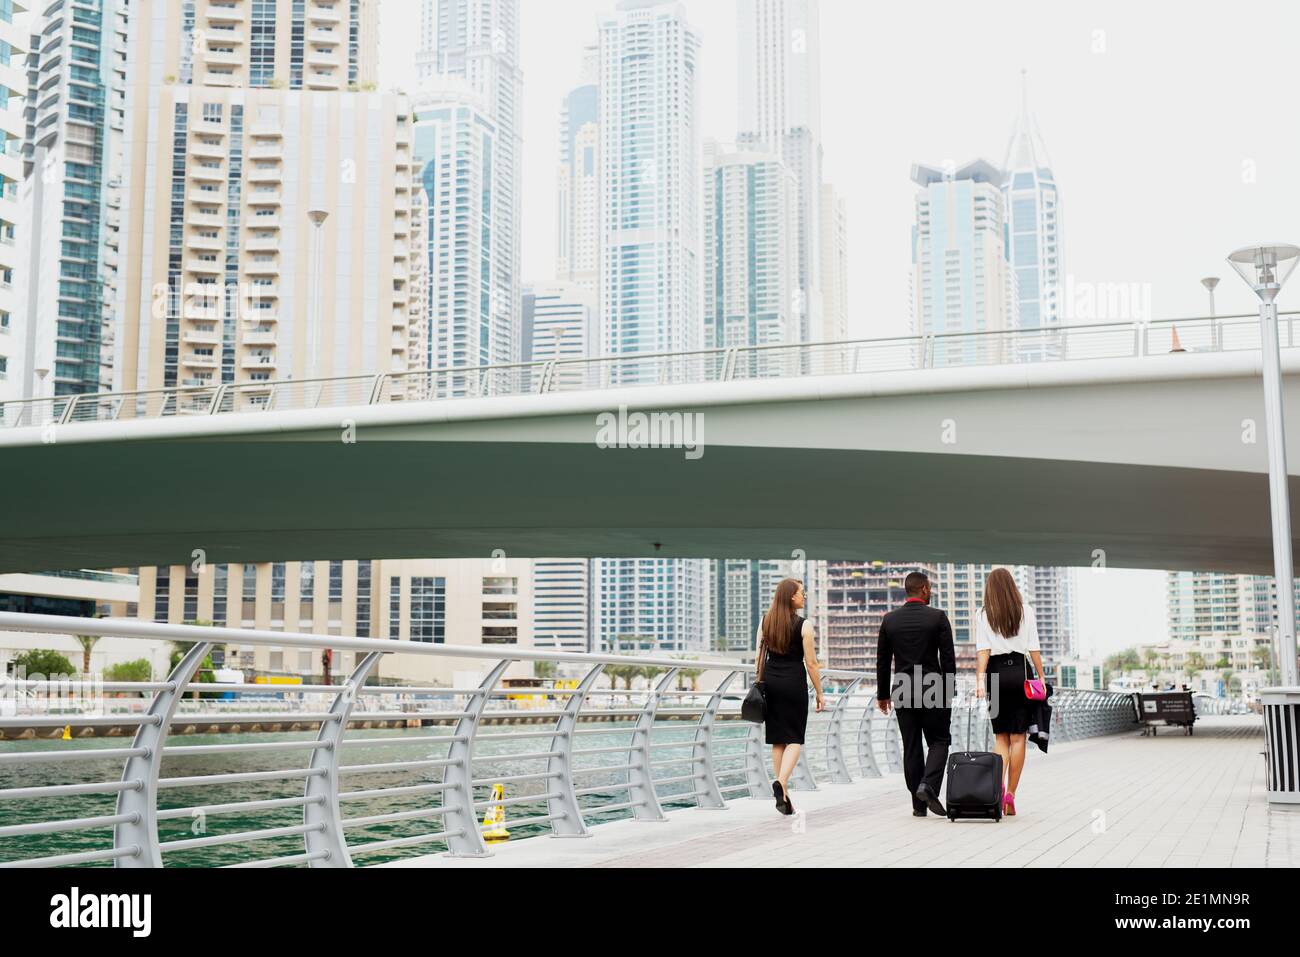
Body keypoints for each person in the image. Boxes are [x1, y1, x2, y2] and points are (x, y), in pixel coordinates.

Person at [876, 571, 956, 817]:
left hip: (902, 689)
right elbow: (948, 659)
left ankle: (918, 805)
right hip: (934, 688)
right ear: (923, 589)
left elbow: (882, 661)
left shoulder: (890, 620)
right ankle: (928, 785)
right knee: (939, 741)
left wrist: (882, 694)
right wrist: (949, 689)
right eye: (929, 587)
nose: (930, 591)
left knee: (911, 747)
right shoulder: (937, 617)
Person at [974, 567, 1046, 817]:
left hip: (995, 676)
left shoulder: (982, 614)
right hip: (1020, 673)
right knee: (1018, 738)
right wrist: (1042, 676)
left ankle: (997, 788)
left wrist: (980, 681)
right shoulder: (1026, 611)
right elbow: (1033, 647)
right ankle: (1010, 795)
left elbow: (983, 650)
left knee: (1000, 739)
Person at [756, 578, 825, 815]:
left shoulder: (765, 622)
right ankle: (782, 783)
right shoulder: (804, 626)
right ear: (790, 597)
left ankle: (783, 796)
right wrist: (819, 692)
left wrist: (760, 683)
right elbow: (812, 663)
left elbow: (759, 657)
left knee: (778, 740)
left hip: (771, 683)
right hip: (793, 683)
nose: (803, 597)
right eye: (801, 593)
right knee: (795, 738)